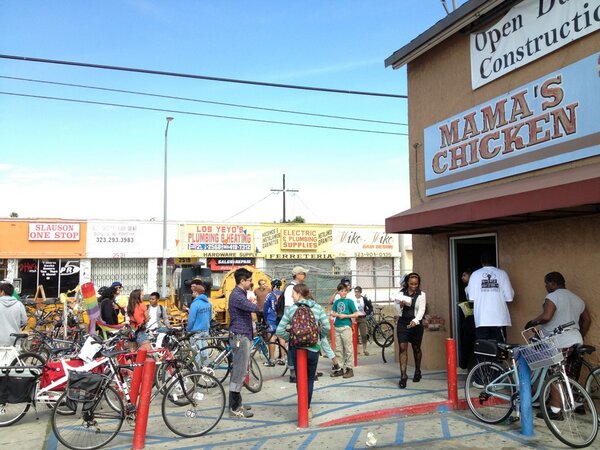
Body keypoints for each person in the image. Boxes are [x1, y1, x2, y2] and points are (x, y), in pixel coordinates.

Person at [276, 283, 330, 420]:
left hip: (297, 348)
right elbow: (327, 327)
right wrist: (319, 337)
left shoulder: (291, 310)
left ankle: (302, 408)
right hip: (313, 348)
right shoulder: (317, 307)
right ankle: (307, 408)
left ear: (299, 293)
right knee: (310, 379)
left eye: (293, 293)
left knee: (300, 379)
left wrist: (292, 339)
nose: (291, 296)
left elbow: (279, 331)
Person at [526, 272, 591, 384]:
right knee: (569, 375)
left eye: (546, 283)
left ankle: (555, 401)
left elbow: (547, 316)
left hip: (558, 342)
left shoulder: (552, 296)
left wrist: (533, 322)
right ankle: (571, 398)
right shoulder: (577, 299)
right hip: (575, 341)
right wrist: (580, 335)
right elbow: (587, 320)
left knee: (555, 376)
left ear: (553, 283)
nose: (545, 286)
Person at [228, 267, 260, 418]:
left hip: (243, 334)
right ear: (242, 281)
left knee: (240, 371)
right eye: (249, 280)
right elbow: (253, 308)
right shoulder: (237, 296)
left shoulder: (240, 294)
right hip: (240, 336)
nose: (251, 283)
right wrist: (262, 305)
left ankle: (238, 402)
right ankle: (234, 407)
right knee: (239, 372)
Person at [466, 253, 514, 344]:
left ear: (481, 262)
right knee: (500, 349)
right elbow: (509, 298)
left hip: (481, 319)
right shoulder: (502, 274)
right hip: (499, 319)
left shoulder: (475, 275)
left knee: (484, 349)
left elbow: (471, 297)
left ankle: (485, 359)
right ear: (494, 261)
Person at [393, 272, 426, 388]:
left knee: (416, 348)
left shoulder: (422, 295)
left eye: (416, 284)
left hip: (416, 324)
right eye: (411, 284)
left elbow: (422, 310)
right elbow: (396, 308)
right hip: (403, 323)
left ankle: (417, 371)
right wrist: (400, 305)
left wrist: (416, 321)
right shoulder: (400, 293)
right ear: (407, 283)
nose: (413, 286)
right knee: (402, 348)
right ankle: (403, 376)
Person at [331, 283, 358, 378]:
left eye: (344, 291)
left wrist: (345, 316)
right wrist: (337, 315)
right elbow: (332, 312)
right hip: (337, 326)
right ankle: (340, 368)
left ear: (347, 291)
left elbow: (356, 314)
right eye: (341, 291)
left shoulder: (349, 301)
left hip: (346, 326)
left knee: (348, 348)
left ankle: (349, 368)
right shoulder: (337, 302)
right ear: (338, 291)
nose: (343, 293)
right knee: (338, 349)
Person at [186, 280, 212, 370]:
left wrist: (188, 329)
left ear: (196, 292)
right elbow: (210, 317)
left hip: (196, 331)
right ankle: (207, 367)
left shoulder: (195, 304)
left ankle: (196, 370)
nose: (192, 293)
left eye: (193, 291)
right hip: (205, 330)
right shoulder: (208, 303)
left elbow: (191, 319)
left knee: (196, 351)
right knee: (204, 349)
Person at [263, 279, 285, 365]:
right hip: (281, 318)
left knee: (271, 337)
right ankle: (283, 358)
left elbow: (265, 309)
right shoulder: (283, 294)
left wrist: (265, 318)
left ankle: (271, 359)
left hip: (271, 318)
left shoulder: (270, 295)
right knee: (281, 337)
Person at [0, 282, 27, 347]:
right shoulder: (19, 304)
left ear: (3, 292)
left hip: (1, 339)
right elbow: (24, 322)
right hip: (14, 339)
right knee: (14, 357)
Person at [353, 286, 372, 356]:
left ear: (360, 292)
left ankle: (365, 349)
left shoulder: (364, 299)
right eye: (355, 291)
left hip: (362, 318)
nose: (356, 293)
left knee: (363, 334)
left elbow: (370, 307)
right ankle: (357, 349)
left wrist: (367, 313)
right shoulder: (352, 299)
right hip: (355, 318)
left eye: (358, 292)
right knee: (355, 335)